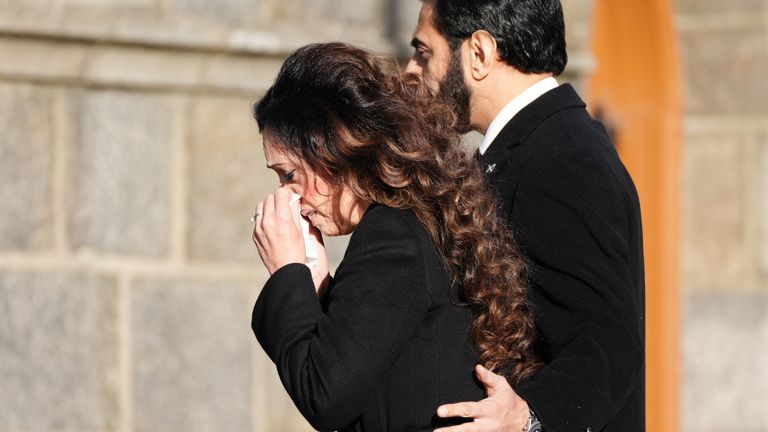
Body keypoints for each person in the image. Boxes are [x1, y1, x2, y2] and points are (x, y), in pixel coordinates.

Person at [250, 42, 541, 432]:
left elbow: (325, 395)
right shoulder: (413, 219)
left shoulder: (393, 235)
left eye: (289, 174)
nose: (287, 196)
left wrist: (286, 269)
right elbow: (363, 375)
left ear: (333, 150)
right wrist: (315, 285)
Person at [405, 1, 645, 431]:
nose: (410, 70)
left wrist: (530, 417)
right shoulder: (543, 145)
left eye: (424, 52)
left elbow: (607, 341)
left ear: (478, 53)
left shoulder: (560, 158)